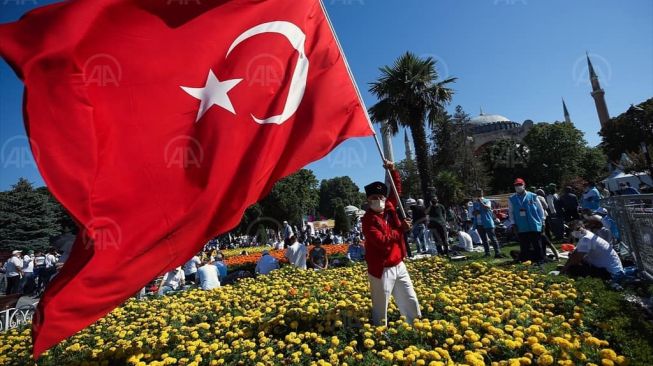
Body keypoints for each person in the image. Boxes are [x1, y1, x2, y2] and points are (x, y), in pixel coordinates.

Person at [362, 160, 421, 326]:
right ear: (368, 201)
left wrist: (393, 170)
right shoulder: (368, 220)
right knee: (381, 306)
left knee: (410, 298)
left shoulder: (389, 206)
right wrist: (401, 229)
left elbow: (396, 190)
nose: (379, 200)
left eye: (381, 197)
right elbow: (381, 241)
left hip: (398, 264)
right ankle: (381, 333)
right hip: (381, 269)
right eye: (374, 198)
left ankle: (416, 326)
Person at [508, 178, 546, 263]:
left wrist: (542, 221)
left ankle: (540, 260)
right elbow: (510, 212)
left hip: (534, 224)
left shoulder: (533, 196)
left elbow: (540, 210)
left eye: (520, 185)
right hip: (521, 226)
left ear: (524, 185)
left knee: (537, 244)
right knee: (524, 245)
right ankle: (525, 260)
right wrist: (513, 224)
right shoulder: (511, 199)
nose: (518, 186)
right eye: (516, 185)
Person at [470, 188, 504, 258]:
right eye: (478, 192)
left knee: (493, 238)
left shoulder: (487, 200)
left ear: (483, 193)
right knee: (484, 239)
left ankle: (497, 253)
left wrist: (481, 202)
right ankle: (487, 253)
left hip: (487, 222)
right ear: (476, 194)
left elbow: (487, 208)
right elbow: (473, 213)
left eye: (480, 192)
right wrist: (475, 212)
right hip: (479, 223)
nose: (479, 193)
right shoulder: (474, 203)